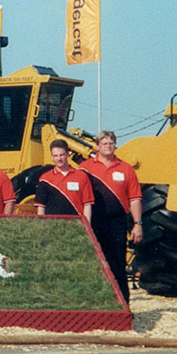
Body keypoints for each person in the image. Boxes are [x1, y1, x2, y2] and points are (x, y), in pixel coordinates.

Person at [80, 130, 142, 303]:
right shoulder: (85, 168)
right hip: (94, 222)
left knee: (117, 264)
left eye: (111, 143)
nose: (108, 146)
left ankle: (122, 305)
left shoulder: (126, 169)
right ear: (98, 146)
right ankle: (97, 305)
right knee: (95, 264)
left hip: (117, 222)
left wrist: (138, 223)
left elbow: (135, 199)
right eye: (104, 143)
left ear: (115, 145)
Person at [35, 139, 93, 219]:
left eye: (62, 155)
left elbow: (87, 204)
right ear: (52, 157)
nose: (59, 158)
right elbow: (41, 207)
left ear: (68, 154)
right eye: (55, 156)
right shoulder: (45, 179)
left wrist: (87, 226)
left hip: (76, 224)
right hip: (53, 225)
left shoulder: (82, 176)